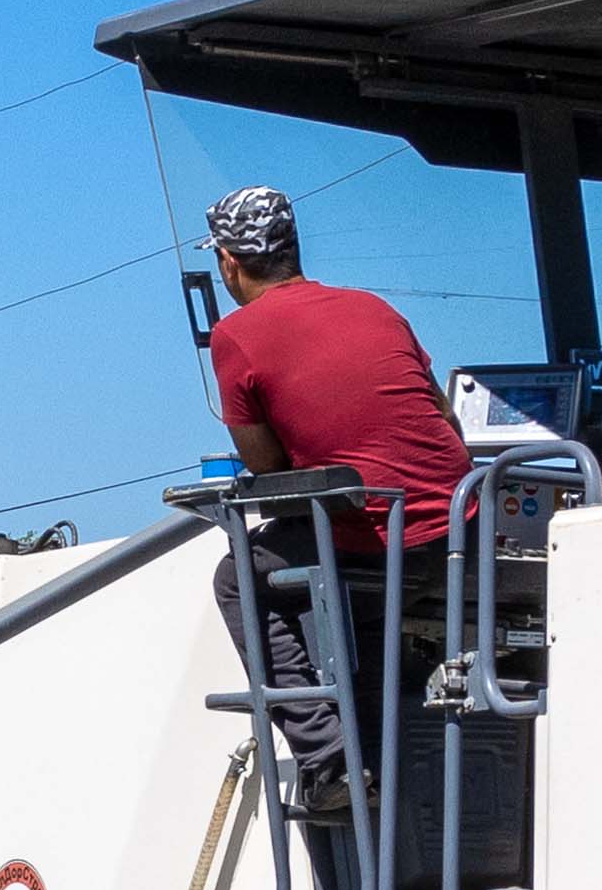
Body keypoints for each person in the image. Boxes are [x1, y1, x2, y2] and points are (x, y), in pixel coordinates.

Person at [195, 187, 474, 817]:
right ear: (293, 248)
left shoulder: (234, 336)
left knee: (240, 577)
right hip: (459, 529)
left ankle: (329, 762)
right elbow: (446, 423)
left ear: (229, 263)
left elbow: (266, 469)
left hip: (374, 535)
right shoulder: (374, 309)